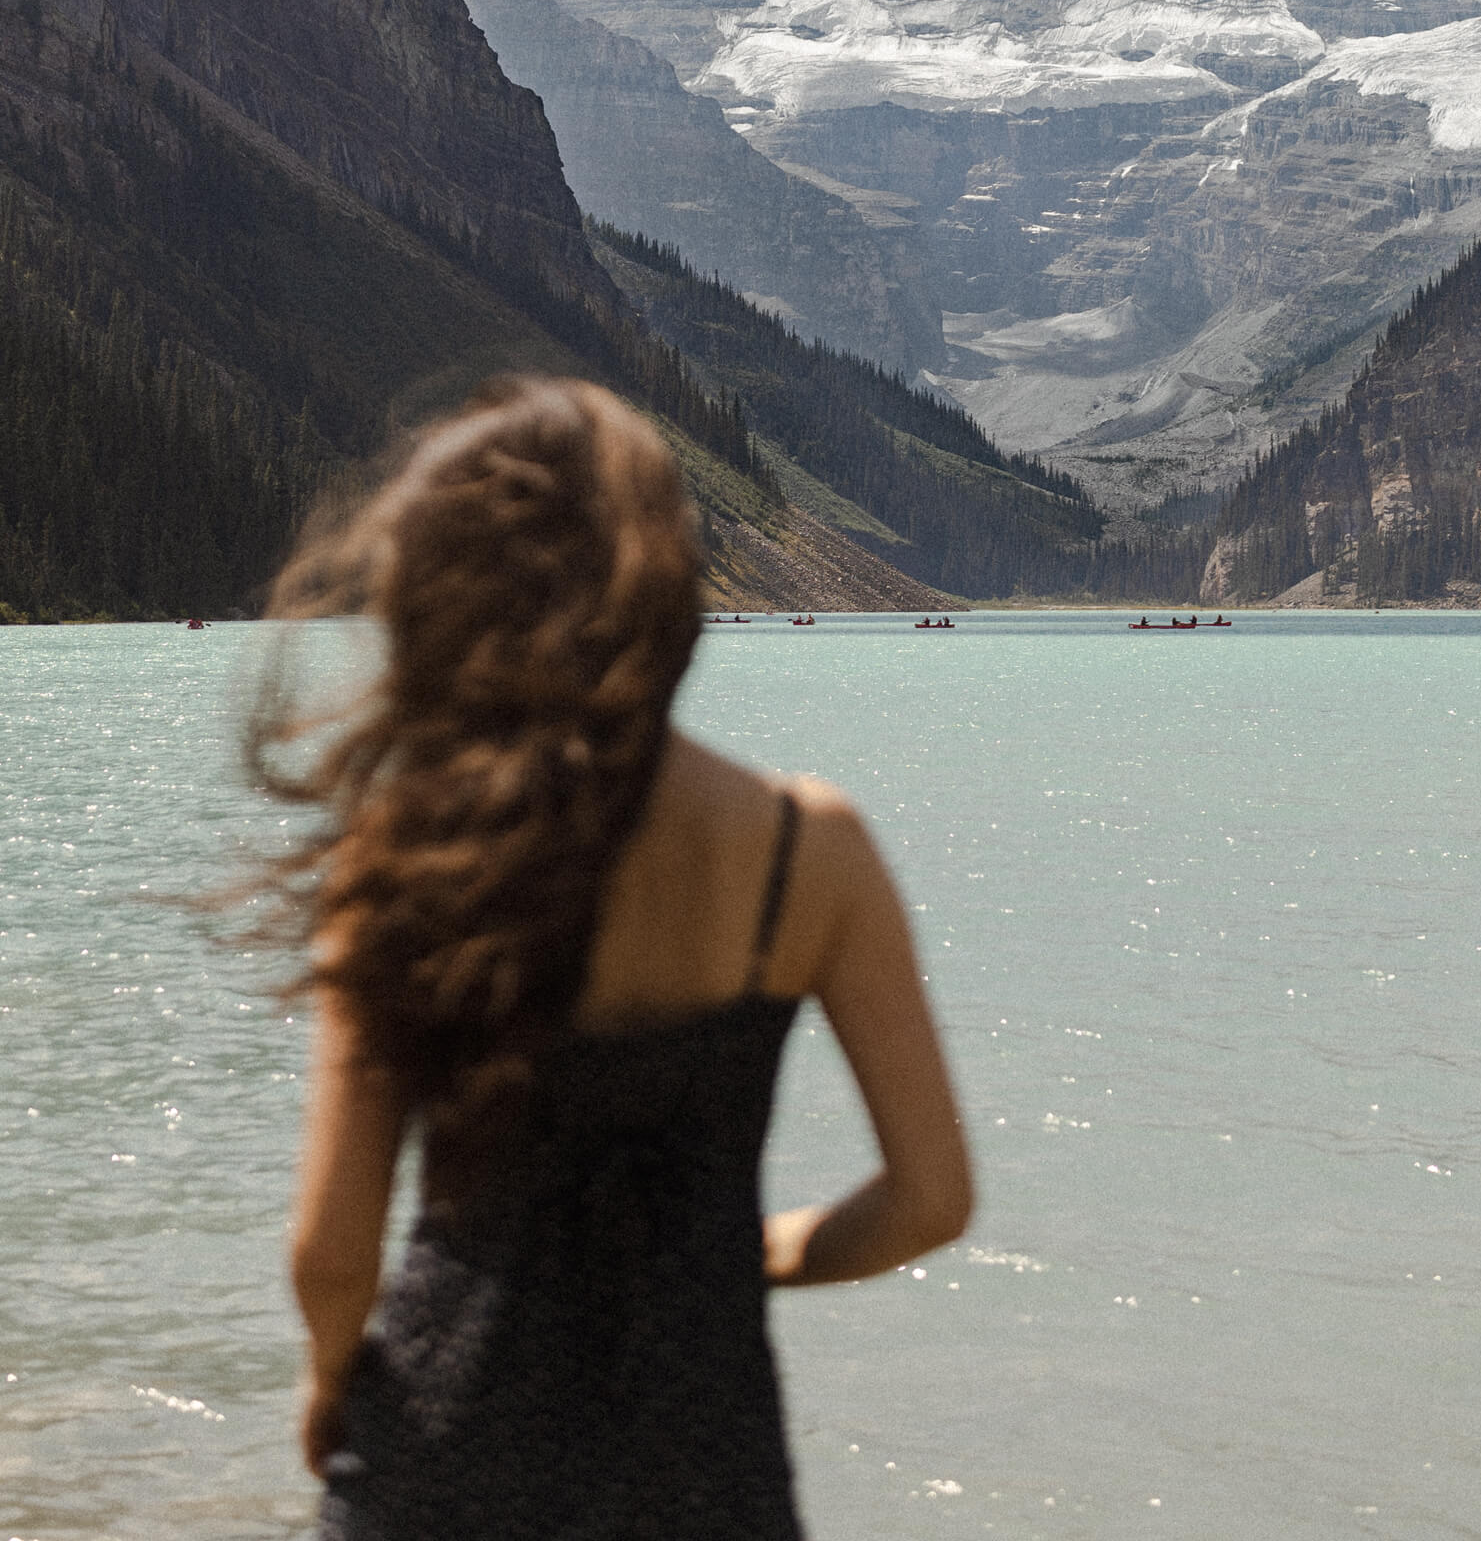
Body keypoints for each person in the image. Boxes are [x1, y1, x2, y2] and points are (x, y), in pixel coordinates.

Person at [253, 377, 973, 1541]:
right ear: (665, 589)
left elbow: (331, 1250)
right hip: (702, 1470)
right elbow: (931, 1199)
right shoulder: (808, 848)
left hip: (440, 1461)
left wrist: (334, 1382)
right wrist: (750, 1250)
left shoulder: (412, 854)